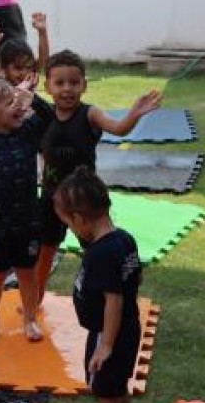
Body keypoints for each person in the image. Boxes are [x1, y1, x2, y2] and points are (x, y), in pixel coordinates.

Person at [36, 50, 161, 304]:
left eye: (74, 82)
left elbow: (118, 128)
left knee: (98, 248)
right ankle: (34, 298)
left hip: (84, 198)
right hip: (51, 196)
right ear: (48, 87)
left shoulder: (90, 114)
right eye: (60, 83)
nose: (67, 88)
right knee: (45, 249)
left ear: (84, 85)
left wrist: (133, 115)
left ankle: (113, 294)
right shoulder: (44, 115)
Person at [54, 168, 142, 403]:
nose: (71, 231)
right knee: (118, 384)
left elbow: (114, 301)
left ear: (80, 219)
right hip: (125, 327)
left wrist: (105, 345)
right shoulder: (124, 238)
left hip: (110, 332)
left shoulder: (101, 253)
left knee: (106, 391)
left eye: (69, 224)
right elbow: (133, 279)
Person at [0, 79, 54, 342]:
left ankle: (30, 319)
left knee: (27, 273)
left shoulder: (27, 133)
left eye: (17, 102)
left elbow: (48, 115)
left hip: (28, 221)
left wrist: (30, 95)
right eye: (10, 103)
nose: (18, 107)